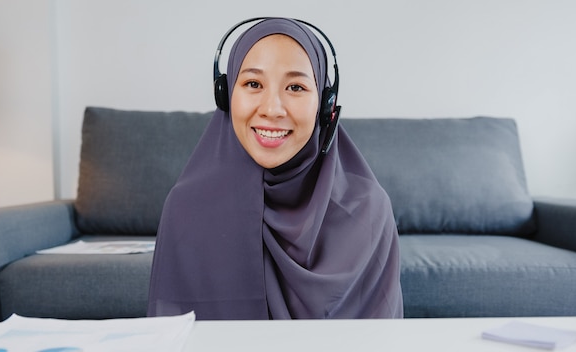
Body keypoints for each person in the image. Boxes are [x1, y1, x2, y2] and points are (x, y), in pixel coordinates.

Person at [147, 17, 403, 319]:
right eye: (253, 84)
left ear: (325, 104)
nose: (272, 109)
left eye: (295, 87)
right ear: (225, 95)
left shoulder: (368, 211)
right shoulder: (187, 208)